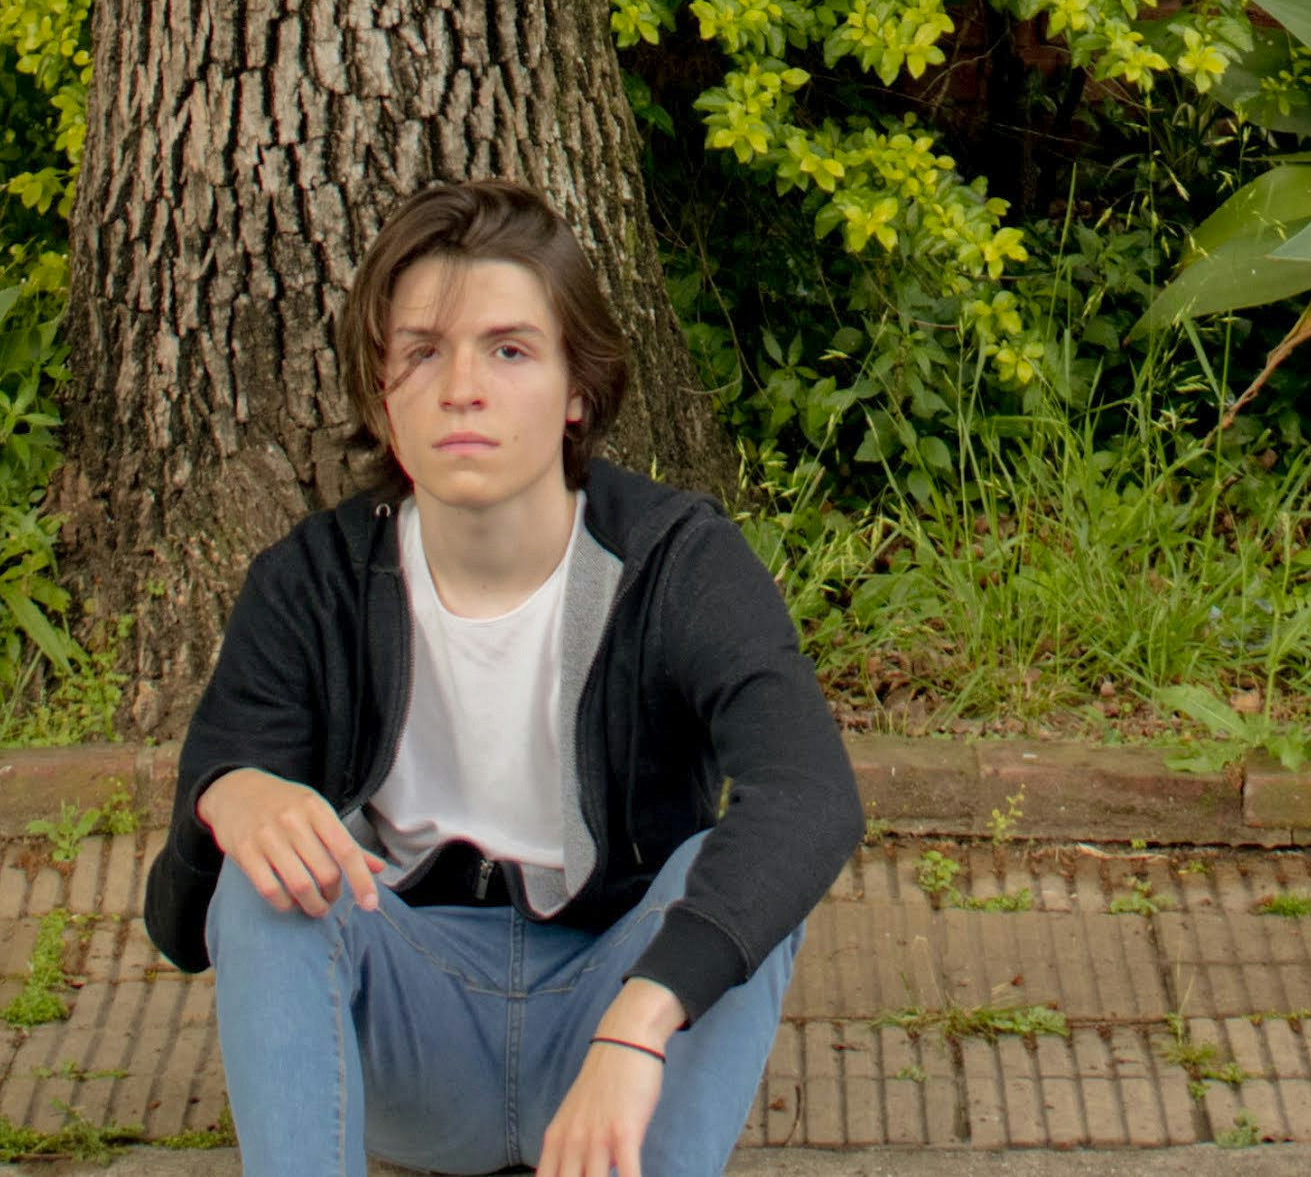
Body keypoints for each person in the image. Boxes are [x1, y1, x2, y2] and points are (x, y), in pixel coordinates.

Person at [144, 178, 862, 1177]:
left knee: (729, 869)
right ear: (380, 394)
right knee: (270, 874)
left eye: (509, 350)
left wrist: (639, 1023)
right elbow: (181, 922)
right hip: (413, 1037)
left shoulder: (677, 563)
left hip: (615, 1029)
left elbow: (814, 797)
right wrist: (233, 795)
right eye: (422, 353)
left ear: (577, 390)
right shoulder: (311, 582)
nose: (462, 388)